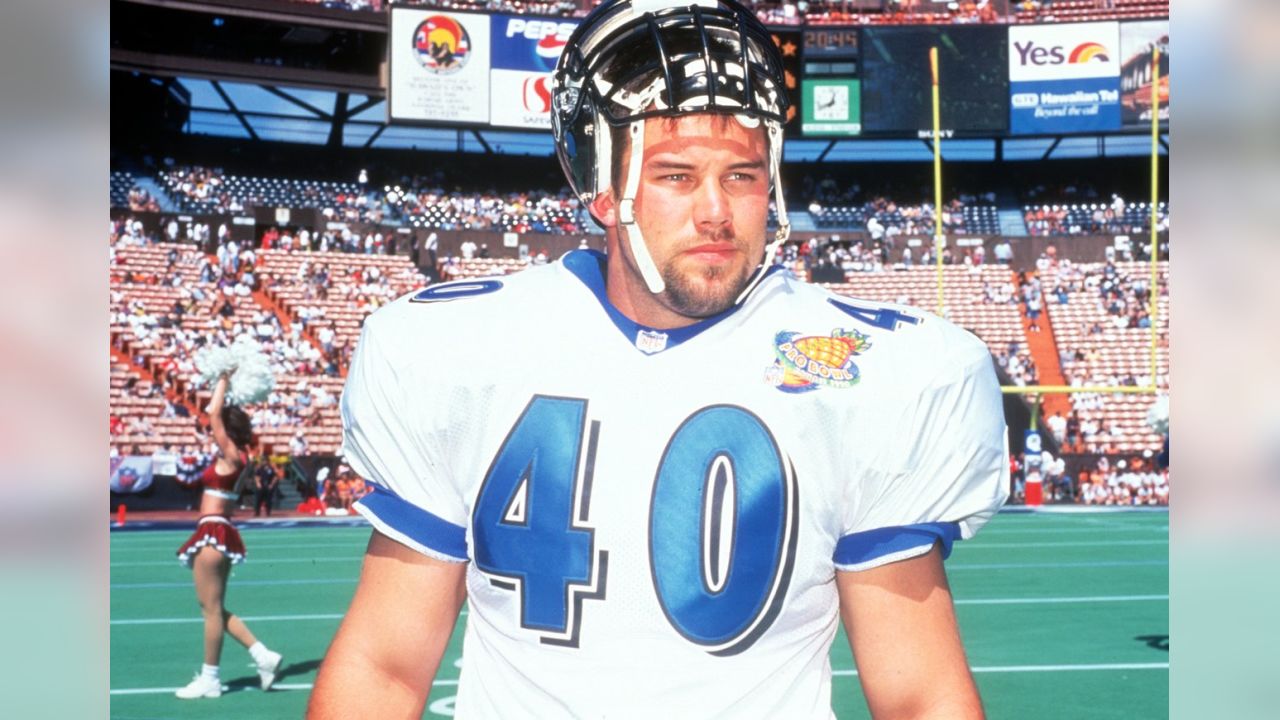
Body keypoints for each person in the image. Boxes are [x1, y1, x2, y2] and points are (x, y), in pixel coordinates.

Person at [309, 1, 1008, 717]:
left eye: (741, 175)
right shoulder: (466, 347)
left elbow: (919, 693)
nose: (716, 211)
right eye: (677, 175)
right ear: (605, 189)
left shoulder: (873, 373)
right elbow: (386, 666)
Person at [173, 372, 283, 699]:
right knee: (216, 607)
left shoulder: (231, 453)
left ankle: (211, 678)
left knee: (209, 611)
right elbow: (215, 416)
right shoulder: (240, 457)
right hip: (221, 530)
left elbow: (211, 412)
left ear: (226, 429)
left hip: (212, 530)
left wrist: (223, 377)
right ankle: (263, 655)